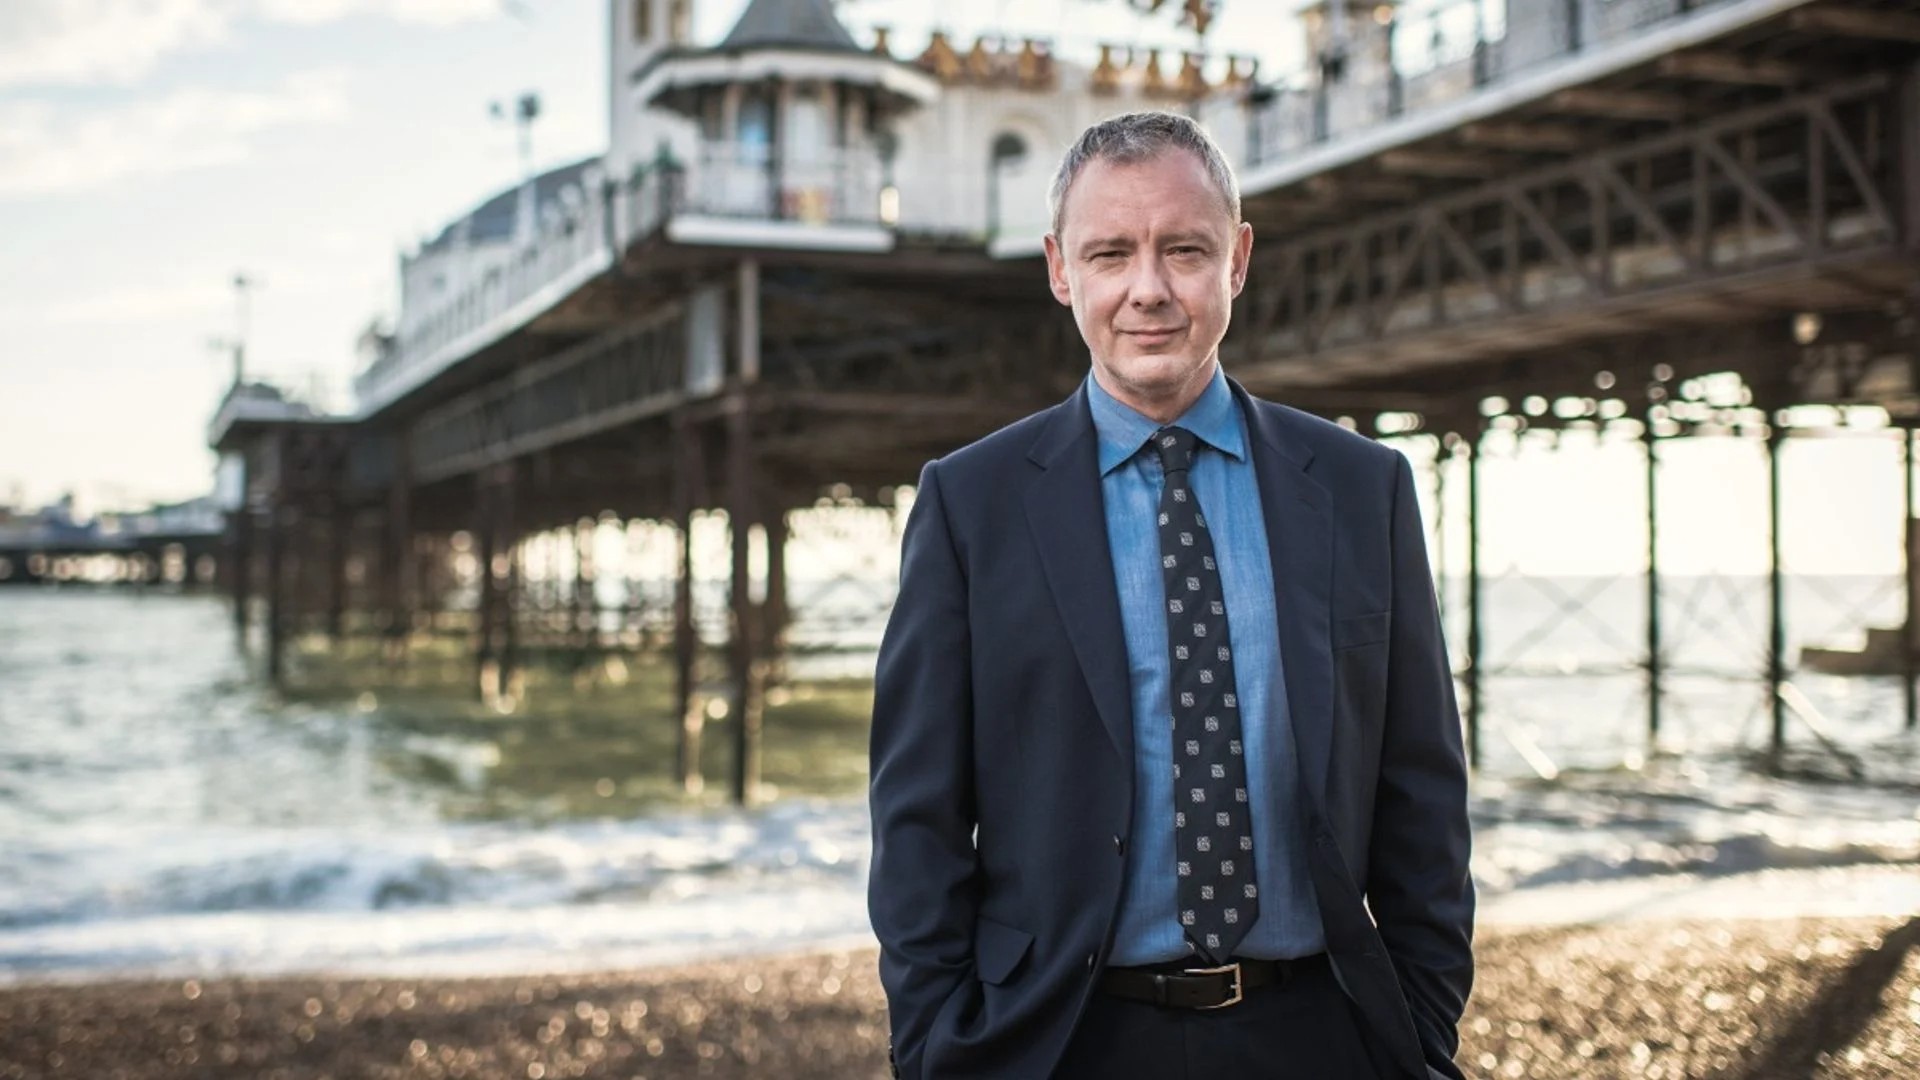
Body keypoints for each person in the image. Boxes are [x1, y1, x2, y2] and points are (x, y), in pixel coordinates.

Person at [867, 111, 1474, 1079]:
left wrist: (1421, 1031)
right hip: (1061, 1040)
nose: (1147, 290)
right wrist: (940, 1046)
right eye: (1110, 254)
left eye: (1182, 250)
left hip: (1318, 1034)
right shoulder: (969, 506)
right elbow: (918, 820)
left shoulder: (1363, 491)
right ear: (1061, 272)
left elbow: (1423, 795)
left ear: (1236, 260)